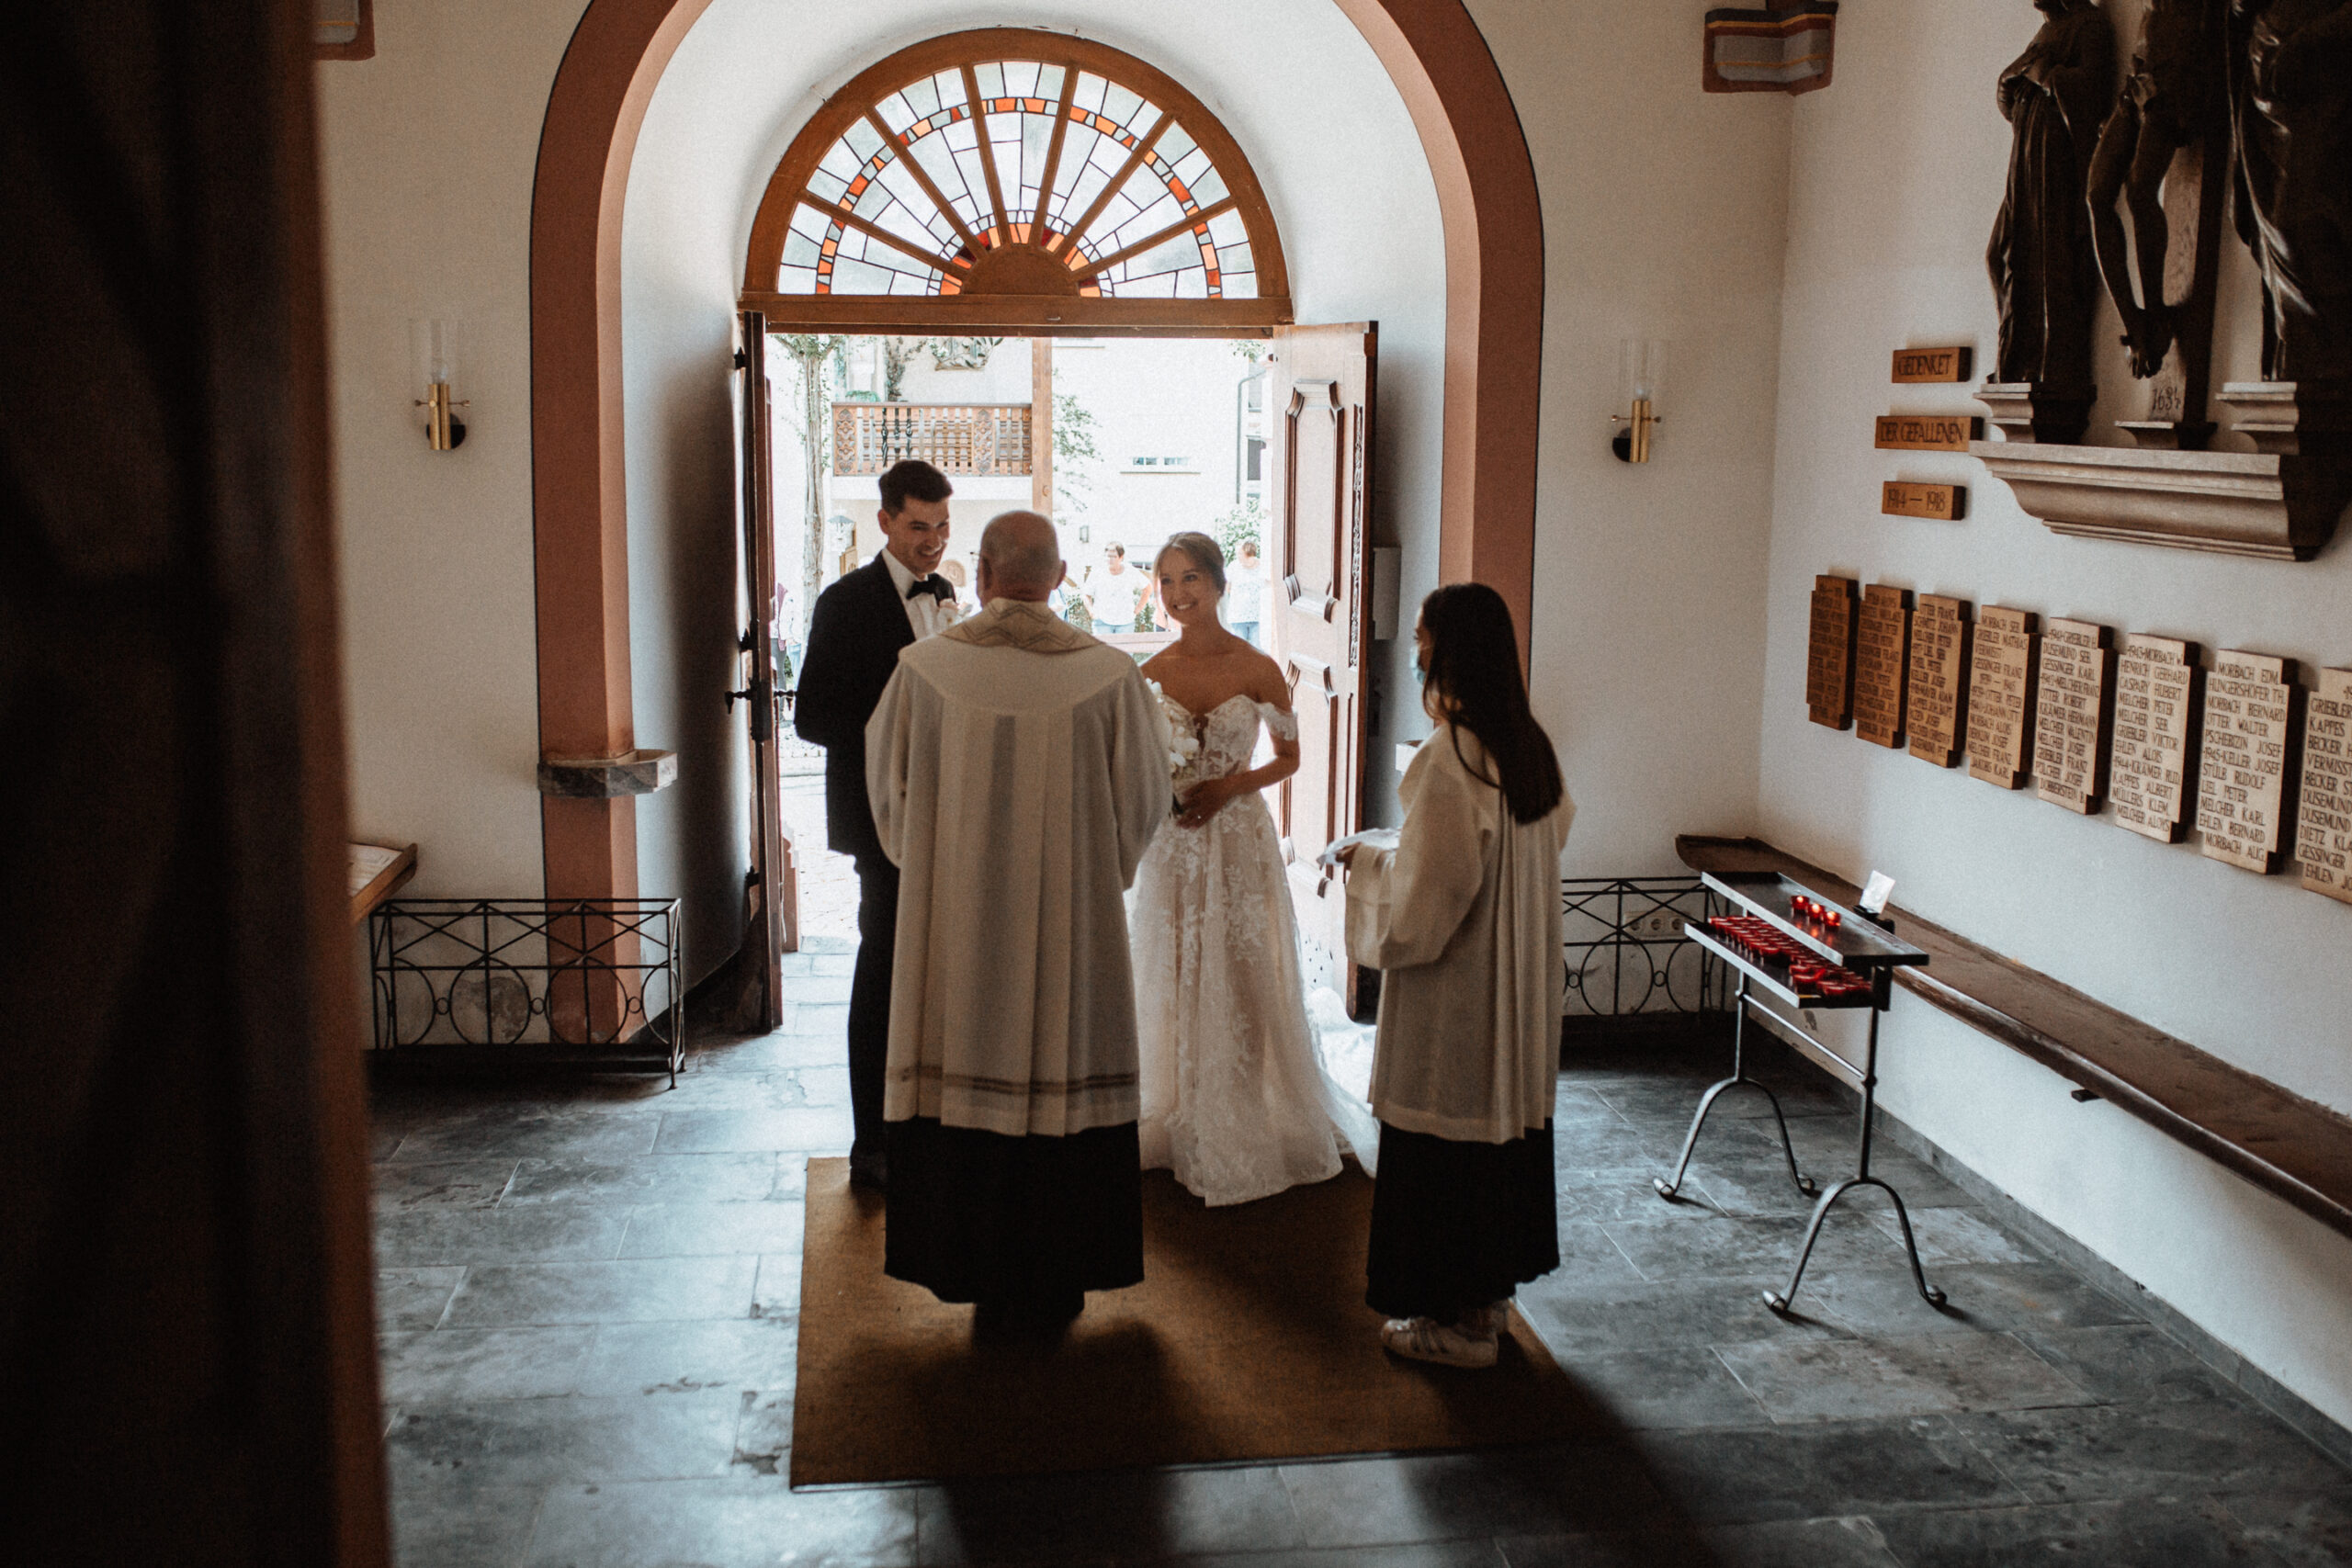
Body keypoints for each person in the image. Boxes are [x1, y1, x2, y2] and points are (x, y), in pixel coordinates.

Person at [865, 511, 1171, 1327]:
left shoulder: (922, 670)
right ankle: (1061, 1272)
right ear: (1063, 576)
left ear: (984, 573)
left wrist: (935, 869)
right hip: (1073, 928)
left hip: (953, 929)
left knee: (959, 1060)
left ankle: (968, 1265)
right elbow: (1145, 800)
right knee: (1063, 1071)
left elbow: (887, 796)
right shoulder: (1110, 675)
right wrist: (1096, 877)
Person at [1338, 582, 1574, 1369]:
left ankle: (1455, 1327)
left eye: (1420, 637)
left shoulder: (1452, 755)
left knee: (1446, 1148)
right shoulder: (1526, 742)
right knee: (1495, 1147)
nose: (1414, 652)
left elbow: (1429, 900)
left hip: (1462, 994)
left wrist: (1365, 863)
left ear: (1448, 648)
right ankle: (1487, 1302)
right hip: (1517, 982)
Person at [1130, 533, 1346, 1207]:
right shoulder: (1153, 670)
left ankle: (1240, 1110)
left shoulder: (1256, 666)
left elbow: (1290, 758)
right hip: (1172, 841)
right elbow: (1139, 761)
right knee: (1169, 966)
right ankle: (1169, 1112)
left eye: (1190, 578)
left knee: (1239, 969)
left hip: (1237, 837)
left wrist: (1230, 785)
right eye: (1165, 582)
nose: (1177, 594)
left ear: (1220, 584)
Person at [792, 458, 958, 1191]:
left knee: (935, 975)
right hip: (877, 820)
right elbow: (811, 717)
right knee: (883, 970)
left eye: (943, 526)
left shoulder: (949, 596)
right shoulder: (844, 602)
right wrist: (896, 735)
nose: (933, 542)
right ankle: (872, 1142)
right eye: (919, 526)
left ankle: (933, 1124)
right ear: (885, 520)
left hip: (946, 815)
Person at [1087, 542, 1144, 633]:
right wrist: (1092, 612)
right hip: (1102, 622)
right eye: (1108, 556)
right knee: (1103, 647)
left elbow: (1148, 588)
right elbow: (1086, 594)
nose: (1110, 559)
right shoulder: (1097, 572)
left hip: (1126, 622)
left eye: (1113, 557)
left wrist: (1139, 607)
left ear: (1121, 557)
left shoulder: (1131, 572)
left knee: (1123, 648)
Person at [1227, 539, 1265, 647]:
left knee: (1257, 650)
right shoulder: (1233, 567)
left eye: (1240, 553)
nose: (1238, 556)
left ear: (1248, 552)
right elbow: (1227, 588)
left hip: (1257, 616)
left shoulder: (1263, 566)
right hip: (1238, 616)